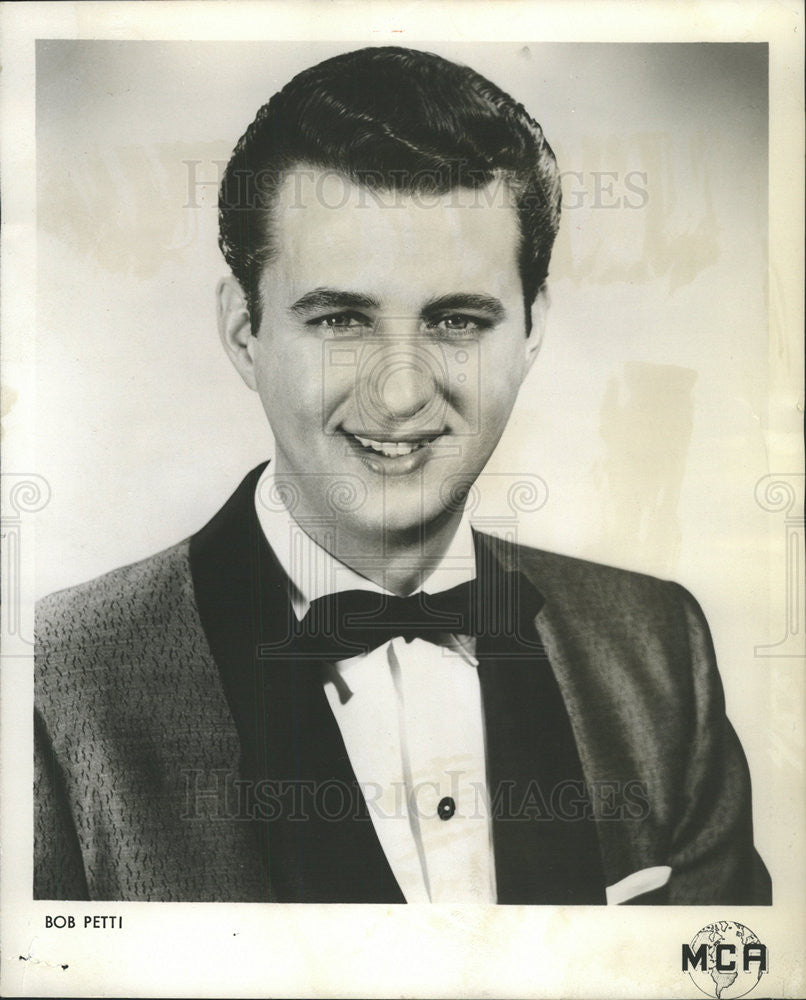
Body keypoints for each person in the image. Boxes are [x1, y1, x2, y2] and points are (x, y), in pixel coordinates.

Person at [34, 45, 771, 905]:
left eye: (457, 320)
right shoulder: (53, 684)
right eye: (341, 318)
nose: (402, 391)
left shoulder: (658, 650)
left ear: (531, 330)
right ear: (245, 331)